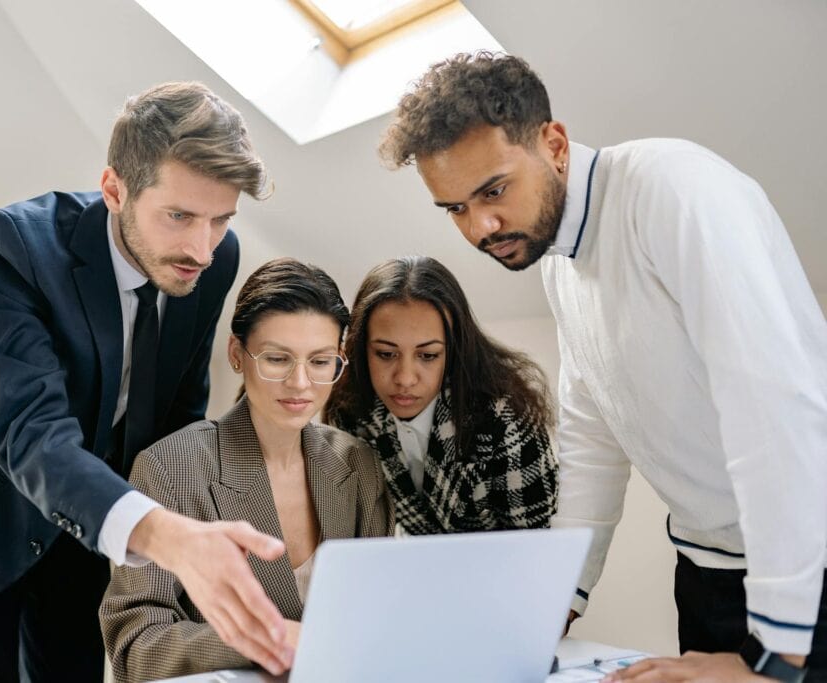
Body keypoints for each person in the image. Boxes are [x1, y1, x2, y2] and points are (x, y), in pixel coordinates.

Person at [379, 51, 827, 682]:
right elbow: (594, 437)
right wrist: (559, 598)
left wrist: (779, 663)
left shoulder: (672, 190)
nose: (480, 226)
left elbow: (776, 408)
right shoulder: (560, 262)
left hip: (810, 565)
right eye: (453, 208)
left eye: (494, 190)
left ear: (554, 144)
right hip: (710, 570)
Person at [0, 81, 296, 681]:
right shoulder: (9, 246)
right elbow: (30, 433)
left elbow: (177, 409)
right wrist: (170, 539)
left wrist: (192, 534)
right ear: (114, 190)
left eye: (221, 220)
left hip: (91, 534)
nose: (201, 250)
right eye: (179, 216)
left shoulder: (215, 256)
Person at [99, 257, 394, 682]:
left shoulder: (357, 464)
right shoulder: (170, 468)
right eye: (277, 359)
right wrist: (262, 639)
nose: (300, 383)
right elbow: (136, 646)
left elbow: (379, 615)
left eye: (320, 361)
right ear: (238, 354)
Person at [324, 255, 557, 535]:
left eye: (428, 355)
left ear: (455, 350)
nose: (405, 378)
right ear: (361, 349)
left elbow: (536, 547)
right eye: (386, 354)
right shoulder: (350, 411)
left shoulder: (505, 416)